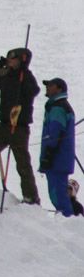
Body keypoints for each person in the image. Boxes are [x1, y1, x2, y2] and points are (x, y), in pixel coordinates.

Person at [0, 48, 40, 204]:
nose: (9, 61)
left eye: (12, 59)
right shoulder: (8, 75)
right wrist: (0, 63)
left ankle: (31, 197)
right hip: (5, 125)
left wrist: (23, 75)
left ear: (21, 60)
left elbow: (34, 90)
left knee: (22, 163)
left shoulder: (25, 76)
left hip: (19, 127)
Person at [39, 78, 75, 216]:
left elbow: (55, 133)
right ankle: (67, 219)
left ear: (59, 89)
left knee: (57, 194)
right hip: (60, 158)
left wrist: (48, 155)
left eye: (50, 85)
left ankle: (68, 220)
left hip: (57, 159)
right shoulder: (58, 106)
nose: (47, 87)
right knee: (58, 193)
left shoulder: (58, 107)